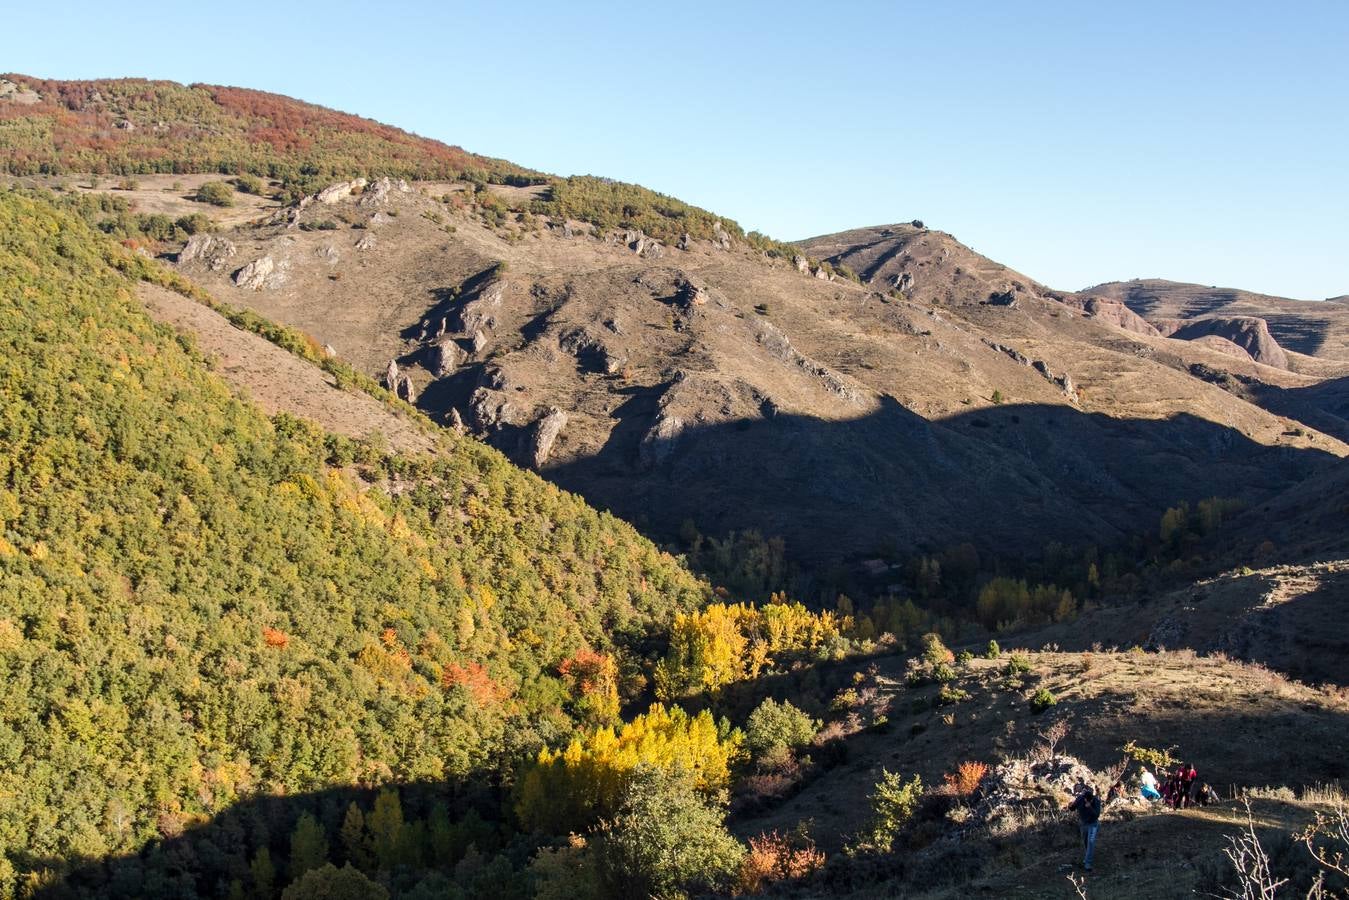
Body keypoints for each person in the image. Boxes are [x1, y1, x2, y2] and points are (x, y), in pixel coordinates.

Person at [1067, 783, 1102, 872]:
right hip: (1083, 824)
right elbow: (1072, 808)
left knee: (1091, 841)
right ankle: (1088, 856)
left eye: (1090, 801)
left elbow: (1096, 815)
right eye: (1087, 801)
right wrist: (1070, 806)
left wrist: (1090, 807)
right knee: (1086, 842)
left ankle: (1087, 863)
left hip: (1093, 824)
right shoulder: (1080, 799)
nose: (1088, 802)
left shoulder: (1096, 801)